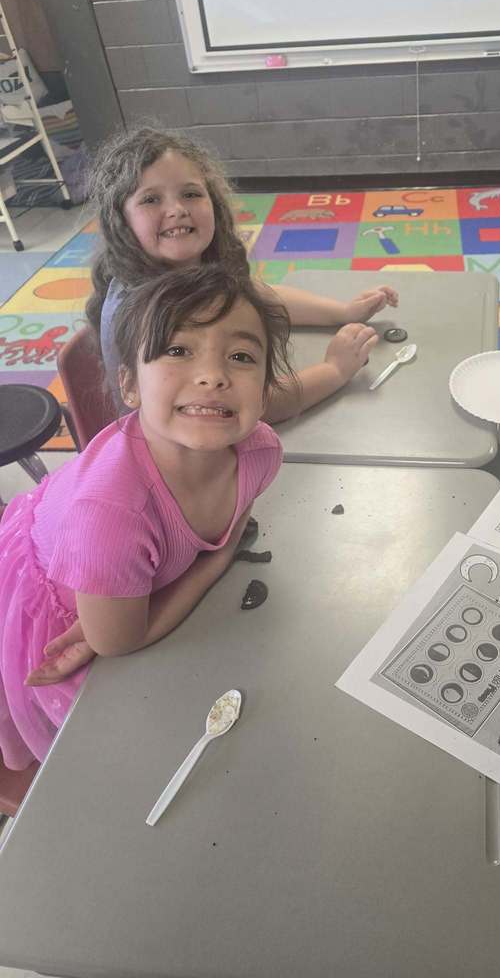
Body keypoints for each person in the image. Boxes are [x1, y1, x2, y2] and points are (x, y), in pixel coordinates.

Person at [0, 264, 291, 769]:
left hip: (108, 575)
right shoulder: (109, 518)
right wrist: (217, 564)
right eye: (178, 350)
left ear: (265, 392)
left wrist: (216, 551)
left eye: (241, 356)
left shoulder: (261, 452)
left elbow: (234, 520)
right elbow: (118, 641)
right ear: (129, 386)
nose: (213, 375)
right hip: (49, 589)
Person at [84, 125, 398, 420]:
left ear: (214, 204)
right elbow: (249, 406)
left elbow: (252, 294)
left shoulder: (189, 267)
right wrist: (335, 370)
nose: (177, 209)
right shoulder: (151, 311)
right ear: (120, 221)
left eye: (191, 194)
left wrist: (342, 312)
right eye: (151, 199)